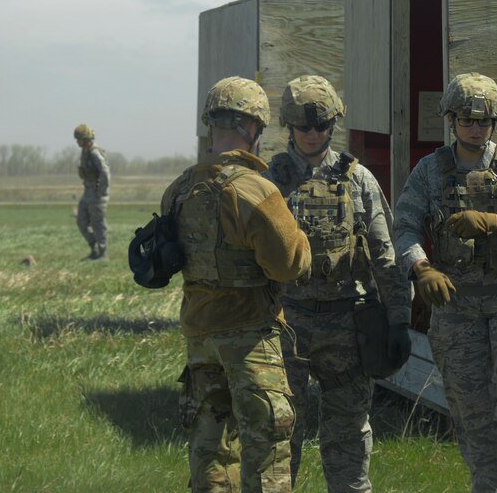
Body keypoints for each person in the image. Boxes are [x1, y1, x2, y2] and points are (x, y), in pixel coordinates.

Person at [393, 72, 497, 493]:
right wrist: (421, 268)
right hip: (457, 311)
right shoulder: (431, 171)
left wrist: (496, 221)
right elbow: (405, 228)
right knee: (472, 418)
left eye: (484, 121)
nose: (475, 128)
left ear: (495, 123)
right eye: (467, 120)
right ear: (450, 119)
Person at [161, 76, 311, 493]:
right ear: (252, 127)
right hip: (248, 340)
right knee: (266, 449)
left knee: (209, 448)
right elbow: (289, 264)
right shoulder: (254, 190)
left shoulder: (179, 189)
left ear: (212, 124)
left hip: (199, 337)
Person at [263, 74, 412, 492]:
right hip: (286, 324)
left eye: (322, 126)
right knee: (277, 432)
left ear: (334, 124)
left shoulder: (357, 179)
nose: (313, 134)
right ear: (288, 127)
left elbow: (385, 253)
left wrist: (399, 319)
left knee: (347, 435)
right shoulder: (270, 180)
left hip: (348, 325)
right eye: (304, 127)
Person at [74, 124, 110, 260]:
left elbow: (105, 173)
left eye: (79, 139)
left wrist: (101, 192)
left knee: (98, 224)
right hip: (87, 192)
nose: (77, 142)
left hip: (97, 194)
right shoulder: (85, 152)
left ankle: (102, 253)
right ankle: (95, 249)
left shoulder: (95, 153)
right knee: (81, 221)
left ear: (86, 139)